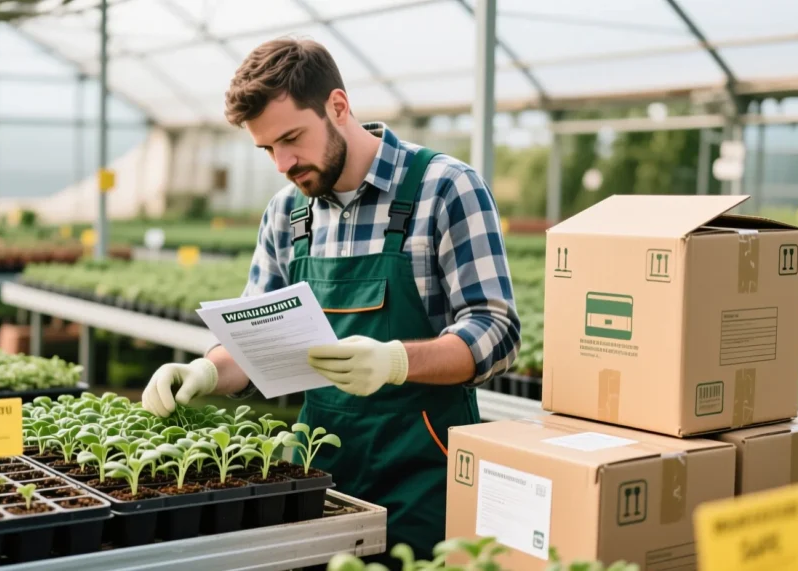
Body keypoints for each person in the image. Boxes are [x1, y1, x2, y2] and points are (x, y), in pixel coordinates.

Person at [141, 37, 521, 563]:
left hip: (425, 478)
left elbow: (497, 331)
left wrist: (394, 361)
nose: (282, 162)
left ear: (338, 107)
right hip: (318, 479)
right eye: (267, 148)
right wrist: (206, 370)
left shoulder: (445, 188)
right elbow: (252, 343)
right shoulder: (286, 213)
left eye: (291, 138)